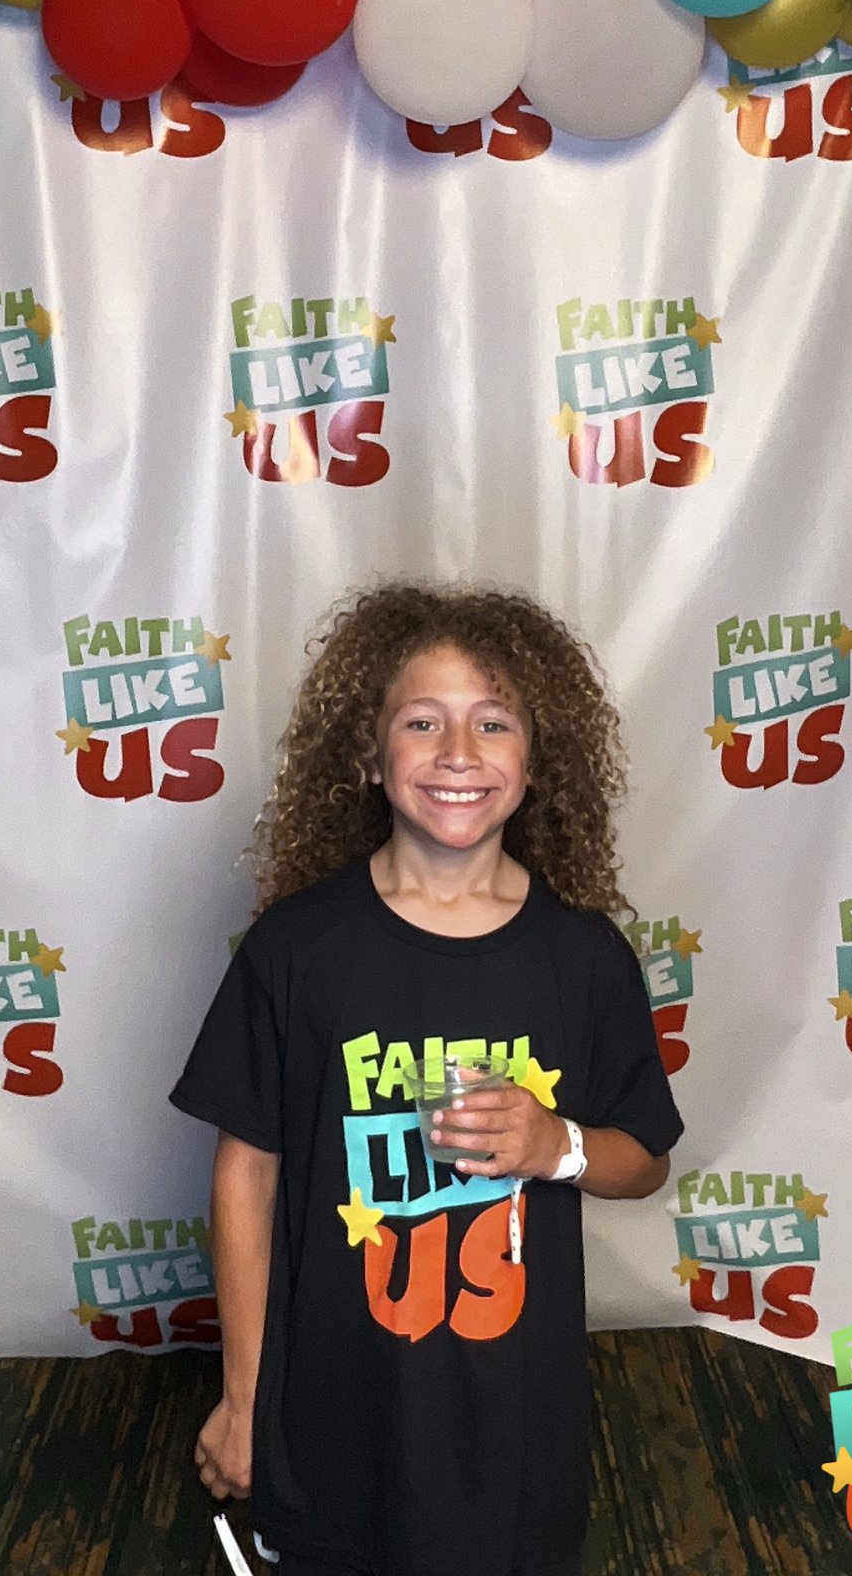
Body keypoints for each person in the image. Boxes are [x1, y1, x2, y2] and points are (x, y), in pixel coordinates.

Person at [170, 583, 683, 1576]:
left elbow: (644, 1161)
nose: (457, 752)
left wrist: (556, 1145)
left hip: (514, 1434)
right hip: (328, 1412)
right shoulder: (296, 947)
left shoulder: (583, 958)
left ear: (536, 761)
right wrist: (241, 1398)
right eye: (421, 721)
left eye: (493, 722)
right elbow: (246, 1174)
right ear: (369, 754)